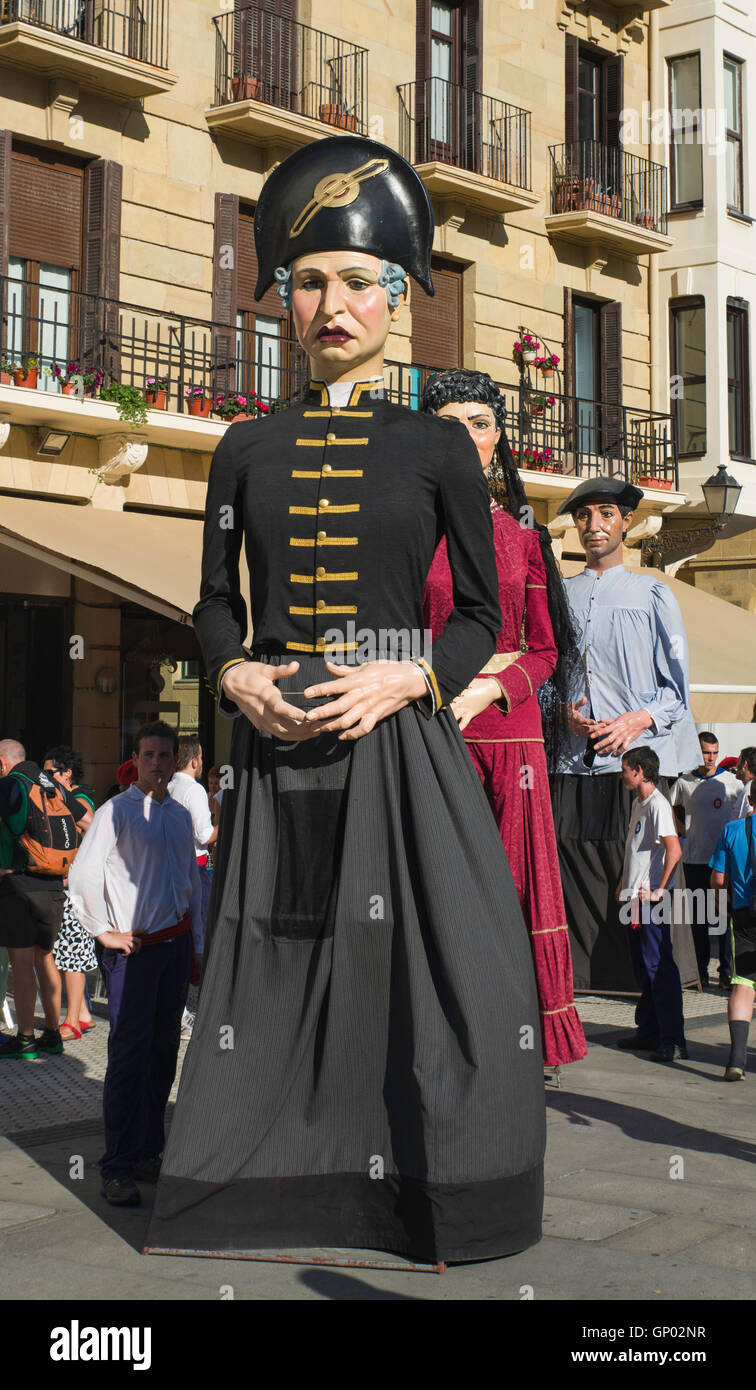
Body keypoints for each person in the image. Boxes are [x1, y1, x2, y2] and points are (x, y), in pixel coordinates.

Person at [145, 135, 546, 1267]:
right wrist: (232, 675)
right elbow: (214, 604)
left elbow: (483, 615)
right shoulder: (243, 449)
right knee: (272, 962)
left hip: (395, 735)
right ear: (283, 294)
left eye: (359, 281)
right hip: (276, 747)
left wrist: (412, 672)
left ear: (398, 297)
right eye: (310, 279)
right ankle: (264, 1193)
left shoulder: (438, 449)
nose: (333, 304)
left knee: (435, 966)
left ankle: (432, 1201)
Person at [421, 368, 585, 1070]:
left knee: (517, 884)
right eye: (452, 423)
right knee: (437, 884)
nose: (468, 435)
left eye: (481, 423)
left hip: (509, 734)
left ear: (497, 440)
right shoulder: (405, 535)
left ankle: (521, 1038)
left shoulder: (523, 539)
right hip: (430, 728)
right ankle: (442, 1029)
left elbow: (548, 650)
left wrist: (489, 693)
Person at [550, 476, 700, 994]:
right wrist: (560, 713)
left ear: (625, 522)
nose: (594, 526)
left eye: (606, 515)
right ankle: (576, 996)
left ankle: (660, 1015)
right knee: (571, 878)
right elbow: (546, 674)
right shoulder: (559, 594)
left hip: (636, 768)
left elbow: (678, 693)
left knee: (644, 882)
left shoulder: (653, 593)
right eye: (584, 516)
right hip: (570, 765)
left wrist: (636, 719)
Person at [67, 721, 202, 1206]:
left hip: (175, 947)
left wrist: (198, 946)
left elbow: (190, 884)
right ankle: (117, 1166)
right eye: (149, 755)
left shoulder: (181, 816)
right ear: (136, 758)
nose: (158, 763)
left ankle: (149, 1151)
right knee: (127, 1059)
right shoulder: (114, 812)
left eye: (166, 756)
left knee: (164, 1052)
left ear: (173, 760)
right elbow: (80, 876)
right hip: (136, 952)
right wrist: (104, 932)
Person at [0, 739, 88, 1060]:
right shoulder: (53, 784)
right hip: (54, 886)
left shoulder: (9, 785)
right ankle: (52, 1033)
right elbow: (88, 822)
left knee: (21, 962)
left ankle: (25, 1039)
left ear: (2, 762)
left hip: (19, 885)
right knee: (46, 957)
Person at [615, 747, 686, 1062]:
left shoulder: (658, 804)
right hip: (633, 900)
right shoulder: (638, 804)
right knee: (643, 967)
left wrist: (660, 890)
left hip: (649, 903)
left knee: (659, 968)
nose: (622, 773)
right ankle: (649, 1032)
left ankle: (672, 1040)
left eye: (625, 768)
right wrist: (623, 883)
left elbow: (674, 850)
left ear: (639, 771)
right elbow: (635, 850)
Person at [672, 732, 742, 989]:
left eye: (714, 752)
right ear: (696, 750)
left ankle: (725, 972)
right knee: (698, 922)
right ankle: (699, 972)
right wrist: (682, 831)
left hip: (723, 863)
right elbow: (670, 806)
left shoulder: (731, 782)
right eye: (706, 752)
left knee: (724, 920)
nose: (711, 758)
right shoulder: (684, 782)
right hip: (694, 861)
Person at [42, 746, 97, 1041]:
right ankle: (83, 1014)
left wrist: (78, 864)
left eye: (50, 772)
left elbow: (92, 828)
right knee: (65, 951)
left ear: (67, 773)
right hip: (67, 884)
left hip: (74, 886)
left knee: (72, 953)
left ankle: (72, 1020)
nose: (45, 777)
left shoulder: (78, 799)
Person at [167, 735, 217, 1037]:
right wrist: (229, 825)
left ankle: (177, 1007)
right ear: (195, 760)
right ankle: (185, 1012)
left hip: (171, 870)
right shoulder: (193, 789)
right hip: (193, 869)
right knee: (196, 936)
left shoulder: (168, 786)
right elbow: (203, 834)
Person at [710, 778, 756, 1080]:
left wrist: (720, 903)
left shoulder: (732, 830)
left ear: (750, 799)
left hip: (743, 915)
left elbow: (717, 880)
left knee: (743, 985)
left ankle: (737, 1059)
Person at [735, 746, 756, 818]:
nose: (736, 765)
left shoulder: (750, 788)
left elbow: (751, 815)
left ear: (745, 764)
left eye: (738, 761)